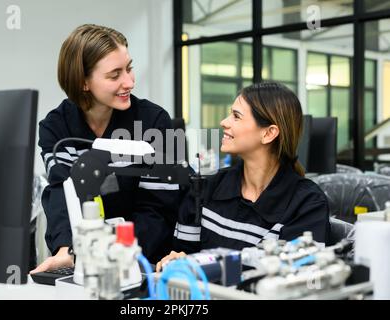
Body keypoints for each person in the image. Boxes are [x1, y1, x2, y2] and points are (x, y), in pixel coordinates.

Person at [31, 24, 181, 274]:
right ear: (83, 82)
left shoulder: (155, 122)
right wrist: (67, 250)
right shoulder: (56, 127)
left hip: (143, 260)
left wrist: (116, 256)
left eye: (129, 68)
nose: (130, 82)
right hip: (85, 259)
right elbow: (61, 192)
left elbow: (159, 207)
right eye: (115, 75)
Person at [157, 82, 330, 271]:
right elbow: (184, 252)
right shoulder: (206, 187)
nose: (224, 122)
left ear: (268, 133)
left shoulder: (307, 204)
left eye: (236, 116)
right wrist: (177, 261)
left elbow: (295, 281)